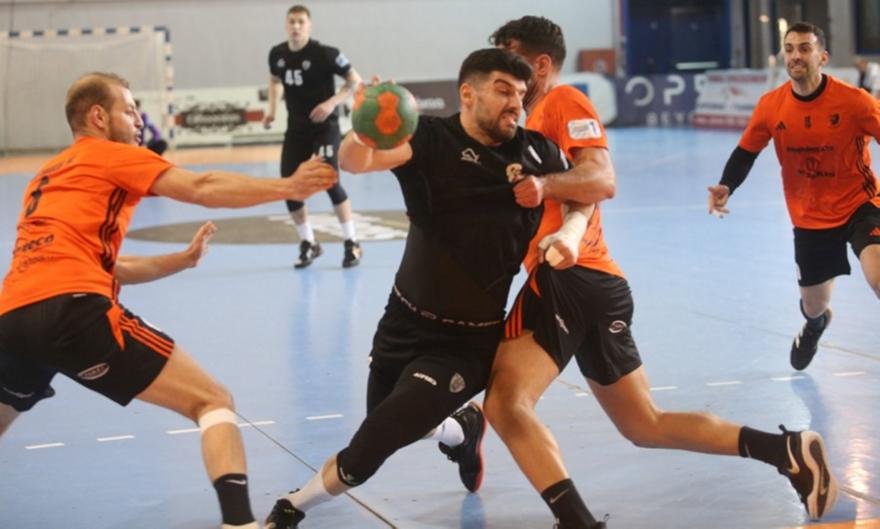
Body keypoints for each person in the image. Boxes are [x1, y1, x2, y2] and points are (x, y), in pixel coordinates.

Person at [484, 16, 839, 529]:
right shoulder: (523, 124)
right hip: (595, 286)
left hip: (570, 277)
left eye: (509, 55)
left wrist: (545, 189)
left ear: (540, 64)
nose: (500, 66)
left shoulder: (562, 102)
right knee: (644, 425)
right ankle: (784, 450)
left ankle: (575, 520)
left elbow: (601, 177)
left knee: (506, 403)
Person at [0, 72, 336, 529]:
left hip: (14, 318)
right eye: (129, 110)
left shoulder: (47, 175)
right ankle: (239, 524)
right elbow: (202, 187)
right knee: (212, 399)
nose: (140, 120)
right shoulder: (113, 155)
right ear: (98, 117)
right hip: (74, 312)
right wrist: (287, 188)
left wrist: (181, 260)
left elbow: (107, 266)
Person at [263, 48, 571, 529]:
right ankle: (462, 430)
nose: (516, 102)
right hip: (402, 321)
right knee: (397, 421)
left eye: (520, 93)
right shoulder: (430, 139)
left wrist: (564, 218)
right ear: (468, 94)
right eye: (503, 91)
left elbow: (589, 189)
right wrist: (364, 126)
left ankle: (291, 507)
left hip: (465, 343)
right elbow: (356, 161)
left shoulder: (537, 155)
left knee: (369, 449)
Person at [709, 22, 880, 370]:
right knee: (814, 305)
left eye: (804, 48)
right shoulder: (771, 106)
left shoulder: (855, 102)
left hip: (859, 205)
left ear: (823, 57)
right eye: (789, 49)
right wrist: (727, 185)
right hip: (809, 216)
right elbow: (747, 151)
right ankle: (816, 325)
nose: (795, 56)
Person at [264, 4, 364, 268]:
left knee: (329, 179)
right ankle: (309, 243)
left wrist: (331, 103)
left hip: (325, 128)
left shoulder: (325, 53)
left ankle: (352, 242)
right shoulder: (277, 54)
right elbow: (274, 80)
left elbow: (355, 80)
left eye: (301, 22)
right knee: (290, 186)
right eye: (292, 21)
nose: (296, 26)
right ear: (286, 25)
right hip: (296, 130)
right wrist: (271, 110)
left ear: (309, 25)